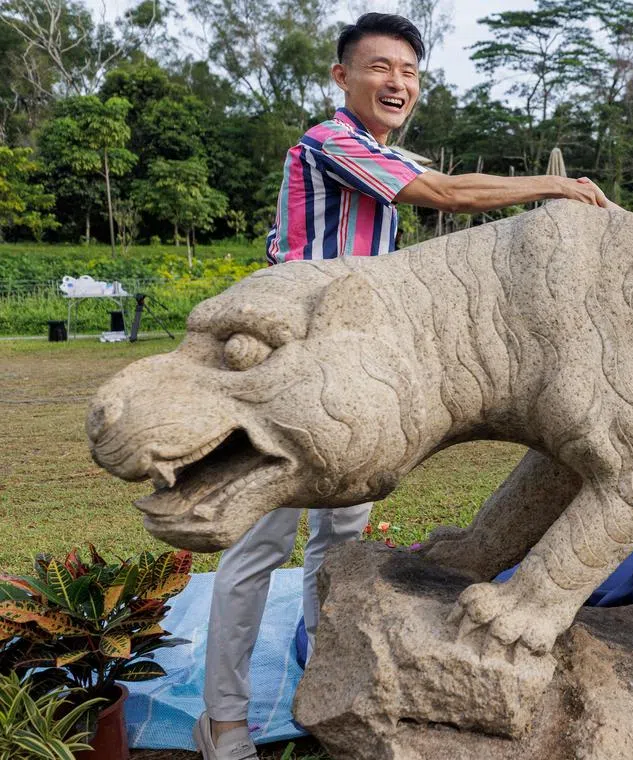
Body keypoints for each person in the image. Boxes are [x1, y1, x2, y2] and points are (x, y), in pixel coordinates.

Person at [195, 14, 610, 760]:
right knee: (259, 541)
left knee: (341, 536)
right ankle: (223, 719)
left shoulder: (378, 151)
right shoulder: (331, 143)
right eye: (380, 67)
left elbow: (450, 191)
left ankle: (325, 680)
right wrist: (557, 187)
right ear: (342, 77)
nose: (397, 83)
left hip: (344, 372)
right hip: (279, 367)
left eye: (409, 72)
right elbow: (447, 192)